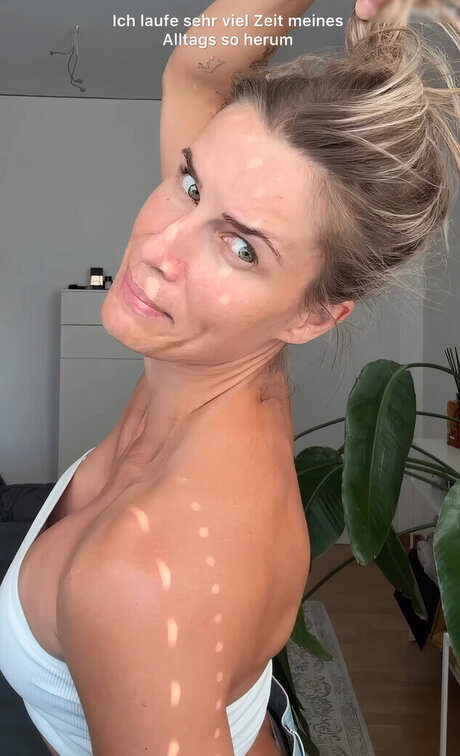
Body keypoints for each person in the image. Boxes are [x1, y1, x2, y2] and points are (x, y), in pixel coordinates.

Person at [0, 0, 458, 754]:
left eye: (241, 248)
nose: (159, 249)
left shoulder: (145, 576)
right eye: (190, 183)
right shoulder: (222, 354)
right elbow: (196, 74)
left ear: (313, 317)